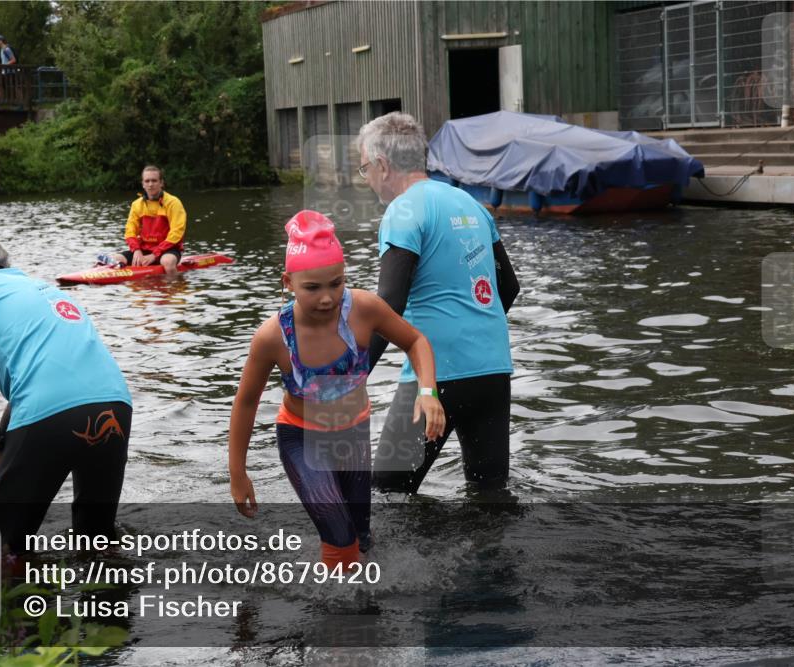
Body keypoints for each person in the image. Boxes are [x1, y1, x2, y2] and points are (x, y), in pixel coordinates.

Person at [228, 211, 445, 568]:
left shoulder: (364, 309)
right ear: (288, 282)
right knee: (340, 538)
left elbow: (415, 341)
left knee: (362, 540)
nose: (327, 298)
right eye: (312, 288)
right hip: (302, 439)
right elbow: (247, 403)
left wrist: (428, 392)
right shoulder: (273, 337)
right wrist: (238, 472)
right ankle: (334, 599)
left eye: (336, 283)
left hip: (353, 435)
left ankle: (356, 596)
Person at [356, 112, 520, 494]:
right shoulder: (471, 204)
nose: (366, 179)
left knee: (387, 494)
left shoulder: (403, 210)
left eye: (365, 168)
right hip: (493, 370)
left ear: (382, 164)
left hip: (437, 375)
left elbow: (388, 305)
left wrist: (350, 378)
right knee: (489, 496)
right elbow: (508, 288)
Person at [0, 236, 132, 553]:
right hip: (115, 403)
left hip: (49, 414)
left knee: (3, 549)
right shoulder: (43, 289)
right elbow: (45, 382)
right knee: (97, 541)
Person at [103, 165, 187, 276]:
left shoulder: (173, 203)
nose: (150, 184)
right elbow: (130, 231)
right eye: (147, 181)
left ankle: (175, 285)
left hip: (168, 250)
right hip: (144, 249)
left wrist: (154, 255)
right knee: (115, 259)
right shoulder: (136, 204)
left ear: (161, 183)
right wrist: (136, 250)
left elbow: (177, 233)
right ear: (143, 184)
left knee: (168, 262)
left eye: (154, 181)